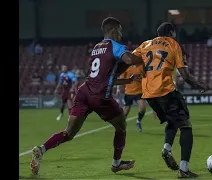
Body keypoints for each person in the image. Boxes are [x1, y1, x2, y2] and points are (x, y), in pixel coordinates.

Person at [30, 17, 143, 175]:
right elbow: (130, 59)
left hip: (84, 91)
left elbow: (103, 78)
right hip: (99, 95)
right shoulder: (115, 46)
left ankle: (41, 150)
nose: (121, 34)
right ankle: (116, 164)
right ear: (113, 30)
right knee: (121, 126)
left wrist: (128, 80)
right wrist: (143, 55)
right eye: (120, 31)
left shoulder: (97, 47)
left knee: (68, 133)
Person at [132, 22, 208, 178]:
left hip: (149, 94)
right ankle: (184, 169)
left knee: (172, 121)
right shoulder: (173, 44)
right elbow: (185, 76)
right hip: (165, 91)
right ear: (171, 32)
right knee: (186, 126)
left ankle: (167, 148)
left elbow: (130, 60)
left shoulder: (145, 44)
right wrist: (199, 85)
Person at [119, 65, 146, 132]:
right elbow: (122, 78)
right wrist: (120, 87)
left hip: (139, 92)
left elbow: (145, 77)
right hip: (128, 92)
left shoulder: (141, 67)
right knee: (125, 112)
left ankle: (138, 121)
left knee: (143, 108)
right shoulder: (126, 67)